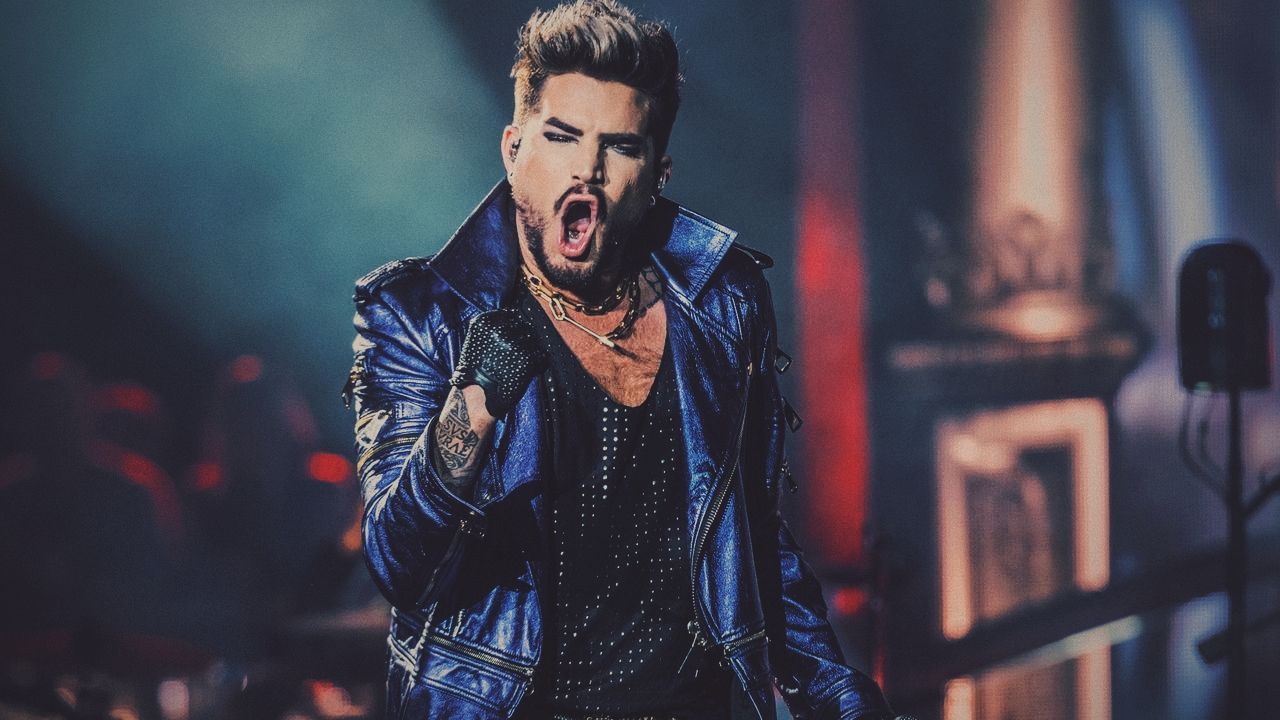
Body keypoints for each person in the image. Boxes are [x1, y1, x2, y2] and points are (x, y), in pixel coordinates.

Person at [345, 1, 903, 718]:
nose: (587, 169)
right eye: (561, 137)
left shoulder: (722, 304)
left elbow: (753, 539)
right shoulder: (420, 312)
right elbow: (400, 565)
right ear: (514, 150)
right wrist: (474, 402)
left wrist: (836, 692)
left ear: (656, 173)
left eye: (620, 147)